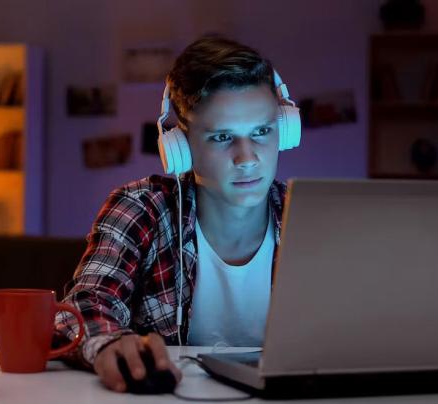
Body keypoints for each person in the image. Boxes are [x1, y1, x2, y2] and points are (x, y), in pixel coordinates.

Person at [54, 35, 300, 393]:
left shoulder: (308, 217)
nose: (247, 158)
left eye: (262, 132)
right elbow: (87, 303)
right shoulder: (142, 208)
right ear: (180, 146)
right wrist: (108, 343)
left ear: (286, 130)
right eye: (221, 137)